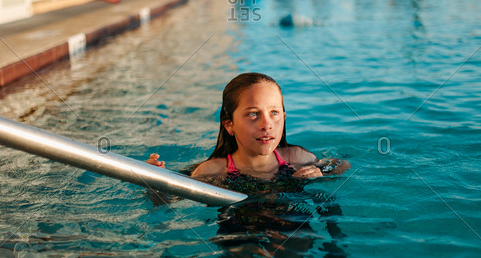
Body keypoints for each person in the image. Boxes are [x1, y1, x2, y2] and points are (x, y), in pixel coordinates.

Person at [147, 72, 348, 188]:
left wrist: (323, 174)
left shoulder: (298, 158)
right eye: (253, 114)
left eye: (274, 113)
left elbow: (340, 165)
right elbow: (172, 202)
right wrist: (157, 183)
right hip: (239, 230)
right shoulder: (213, 171)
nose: (266, 124)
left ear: (284, 119)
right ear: (229, 125)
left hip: (289, 224)